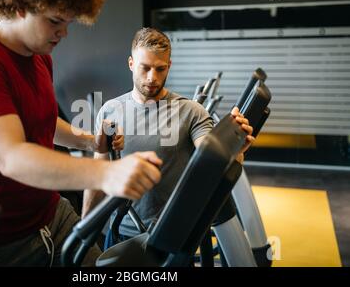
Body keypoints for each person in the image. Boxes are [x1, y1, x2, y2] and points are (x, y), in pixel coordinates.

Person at [0, 0, 163, 267]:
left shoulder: (39, 58)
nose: (64, 33)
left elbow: (43, 121)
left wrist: (89, 139)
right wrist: (106, 173)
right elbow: (10, 156)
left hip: (50, 213)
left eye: (68, 24)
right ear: (21, 4)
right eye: (55, 21)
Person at [82, 27, 254, 249]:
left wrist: (236, 150)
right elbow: (99, 172)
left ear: (169, 66)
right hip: (121, 233)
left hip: (172, 236)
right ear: (131, 64)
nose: (152, 77)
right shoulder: (110, 110)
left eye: (160, 69)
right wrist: (83, 229)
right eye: (145, 68)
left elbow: (214, 165)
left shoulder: (191, 112)